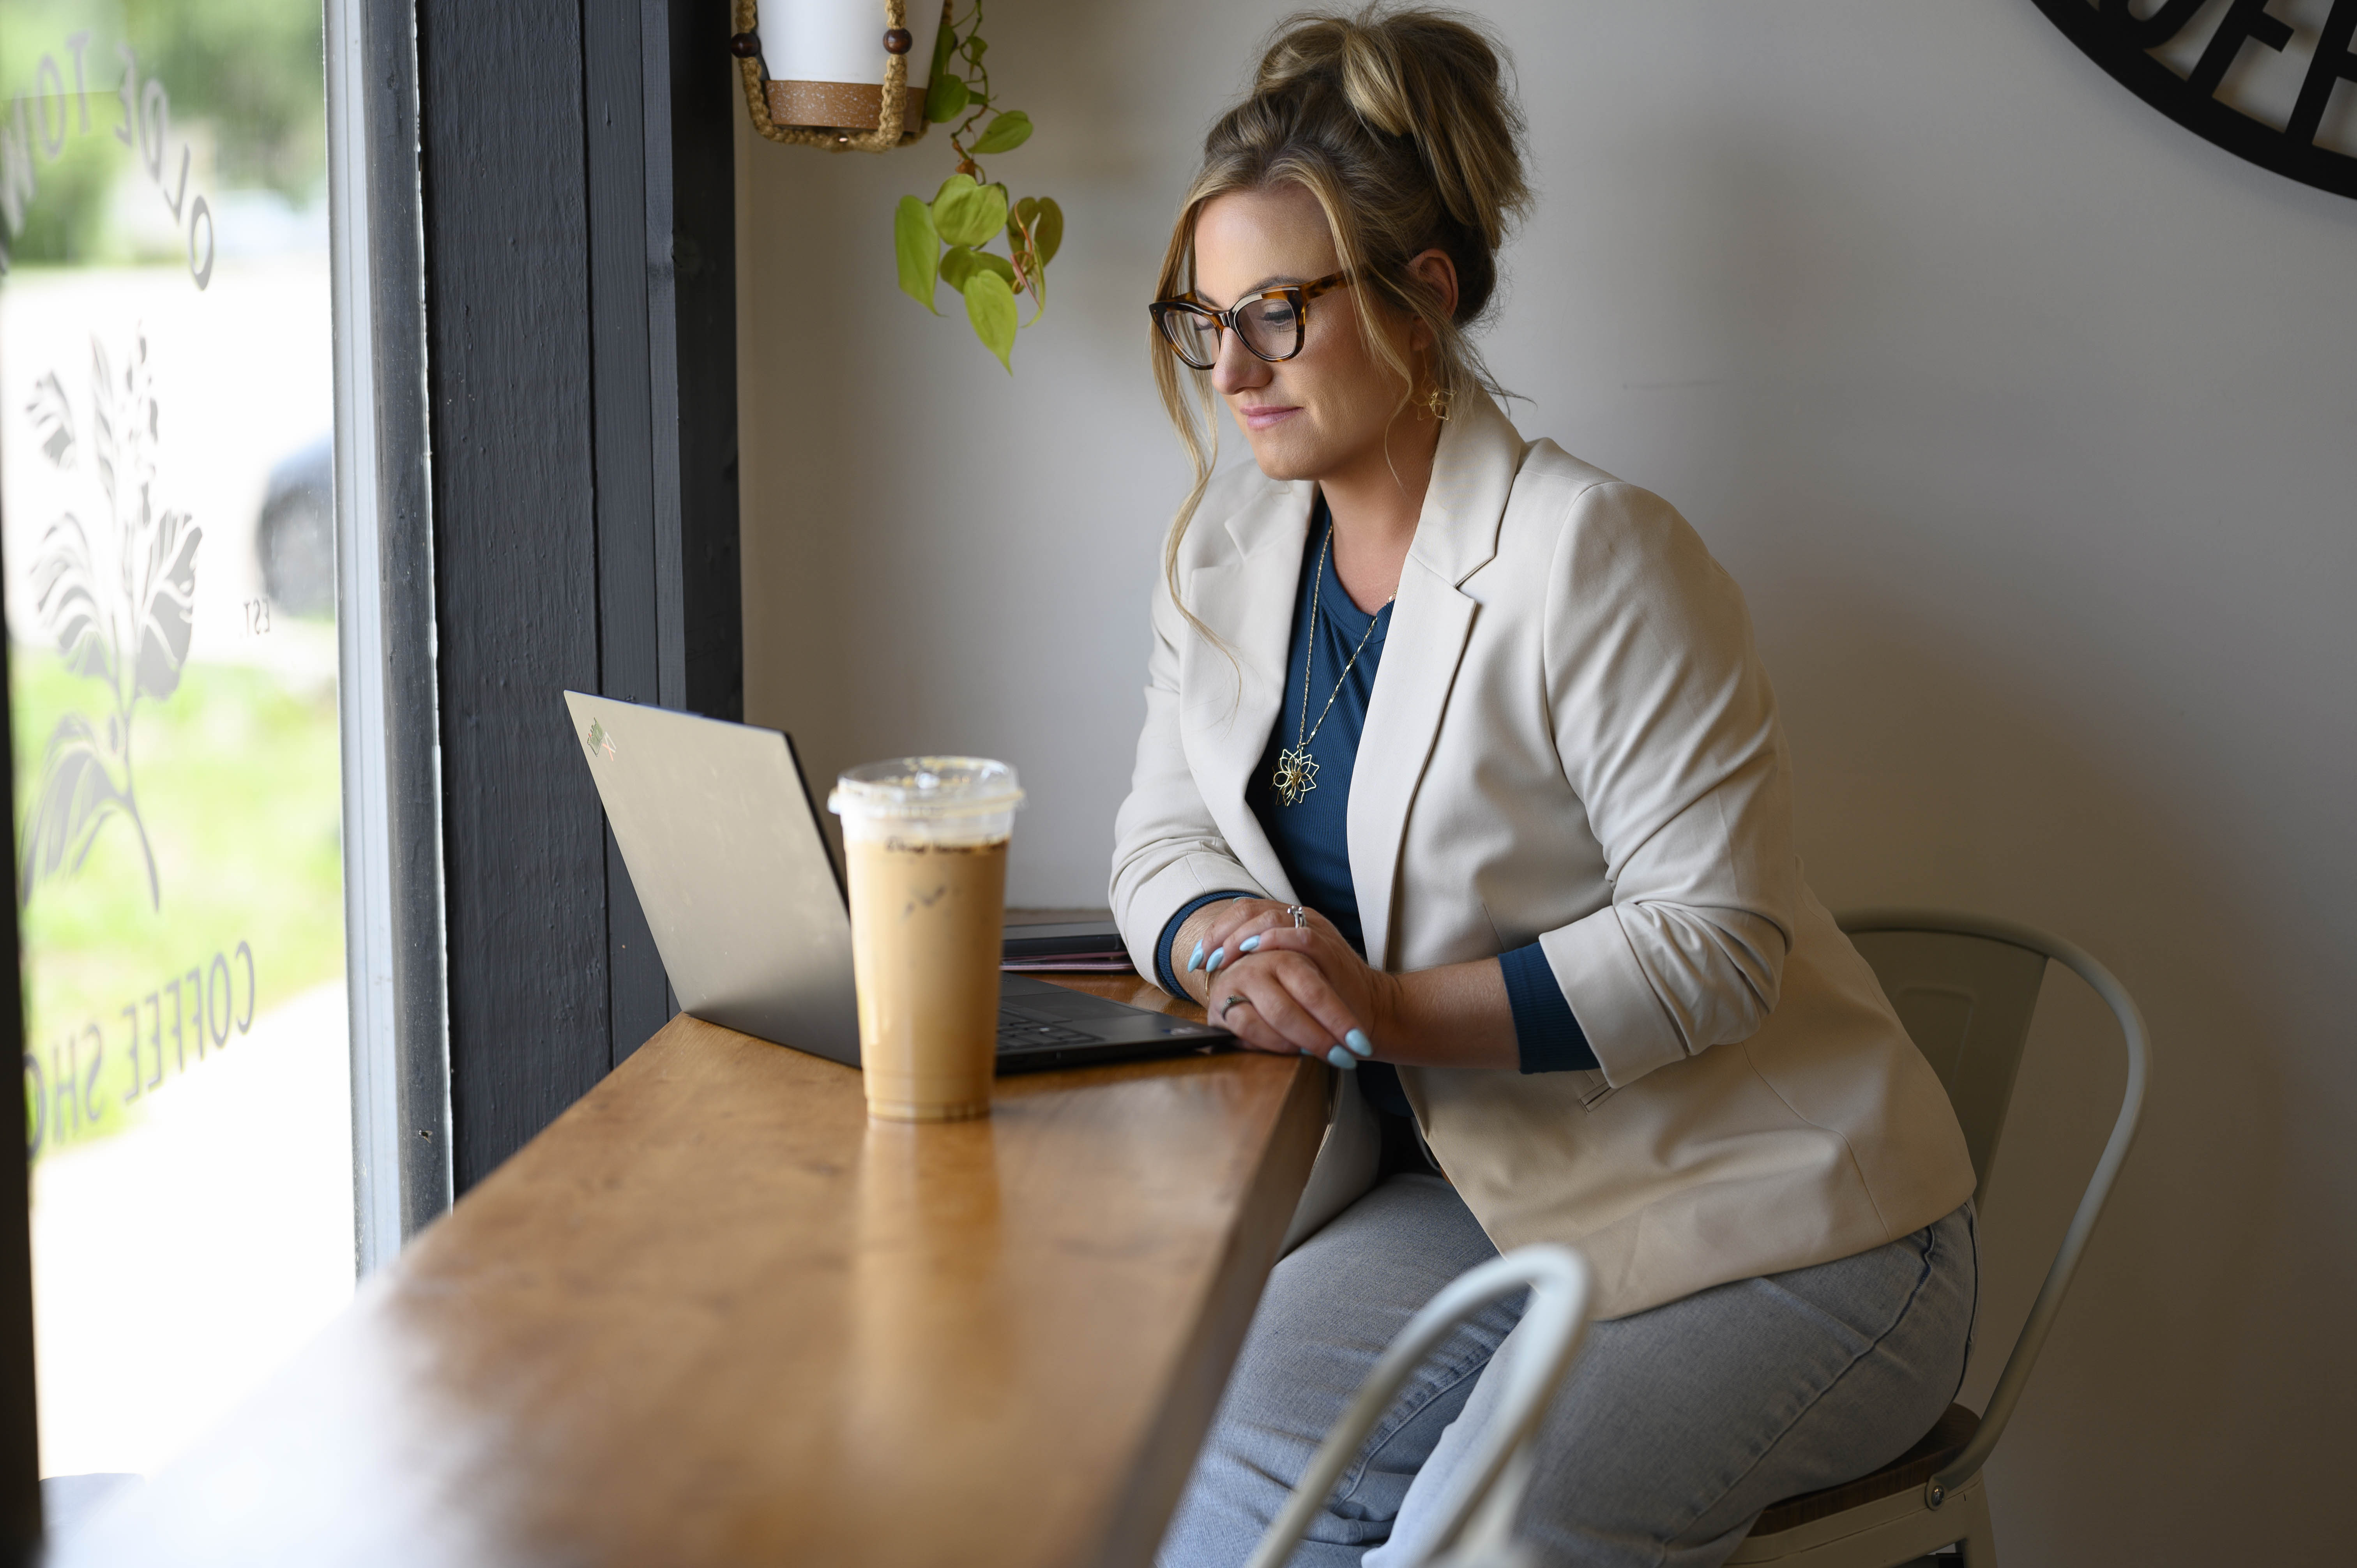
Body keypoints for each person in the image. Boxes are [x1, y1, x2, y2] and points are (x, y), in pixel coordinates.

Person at [1109, 8, 1980, 1566]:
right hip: (1486, 1188)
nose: (1228, 366)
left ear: (1421, 299)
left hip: (1787, 1218)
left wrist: (1372, 1000)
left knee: (1488, 1537)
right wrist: (1227, 942)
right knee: (1202, 1475)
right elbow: (1160, 834)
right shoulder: (1229, 554)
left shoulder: (1598, 556)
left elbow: (1714, 945)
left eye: (1278, 313)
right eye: (1204, 315)